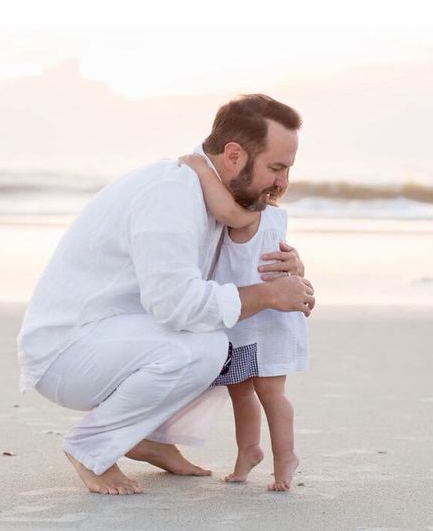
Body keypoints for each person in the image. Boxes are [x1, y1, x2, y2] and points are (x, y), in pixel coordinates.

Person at [17, 94, 315, 495]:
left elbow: (233, 267)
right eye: (275, 168)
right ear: (233, 155)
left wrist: (289, 268)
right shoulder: (170, 195)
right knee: (207, 345)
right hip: (67, 353)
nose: (282, 183)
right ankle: (91, 449)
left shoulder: (212, 194)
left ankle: (146, 438)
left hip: (118, 338)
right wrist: (267, 296)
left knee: (219, 330)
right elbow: (178, 307)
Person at [179, 152, 306, 491]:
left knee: (270, 392)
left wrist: (201, 168)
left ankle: (285, 458)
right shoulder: (255, 217)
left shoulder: (250, 214)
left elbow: (224, 209)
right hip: (241, 318)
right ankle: (248, 450)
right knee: (240, 390)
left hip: (268, 321)